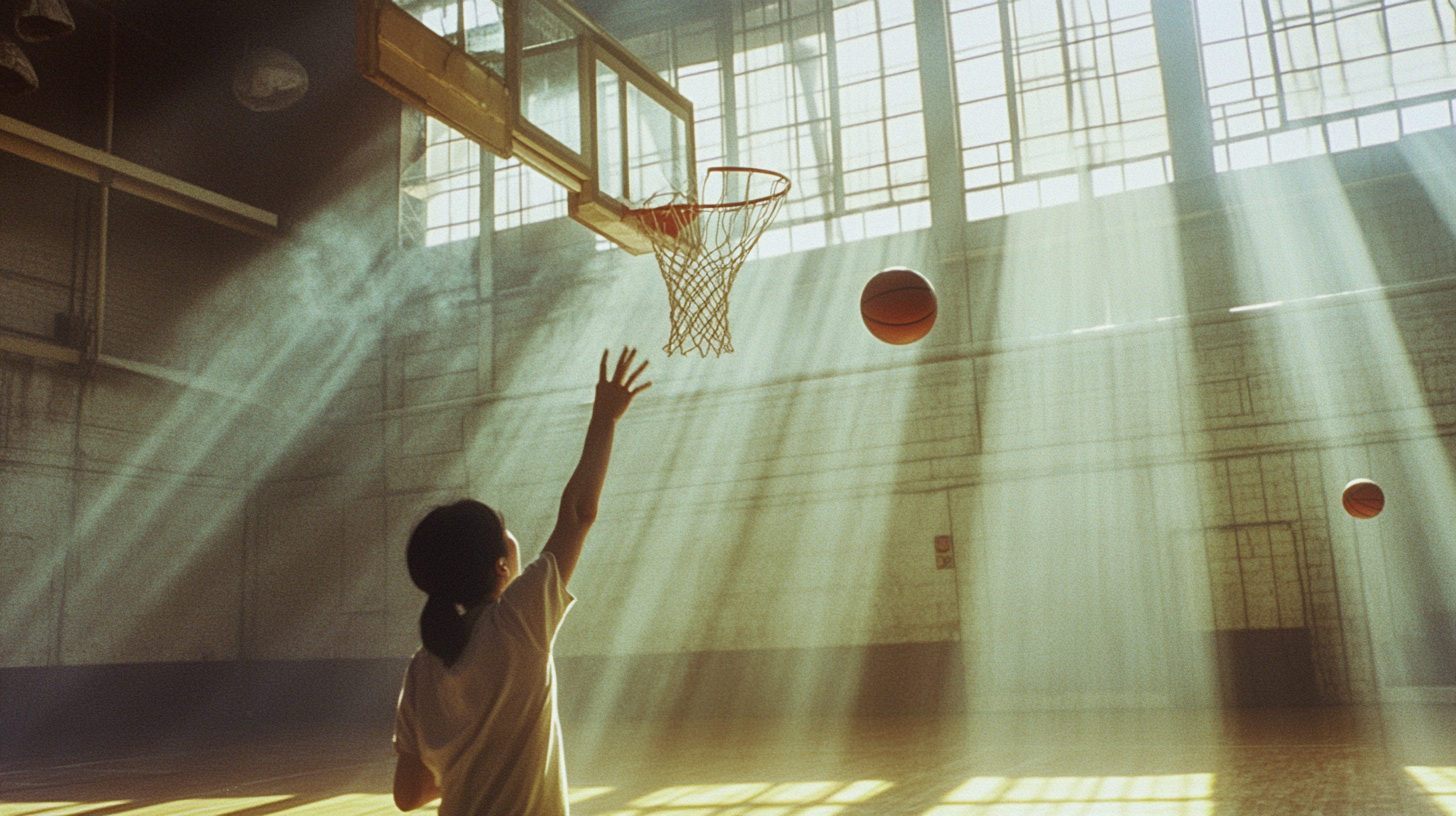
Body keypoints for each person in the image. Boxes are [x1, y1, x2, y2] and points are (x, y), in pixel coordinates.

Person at [392, 347, 651, 815]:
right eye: (507, 534)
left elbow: (408, 796)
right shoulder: (518, 624)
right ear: (500, 567)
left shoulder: (422, 668)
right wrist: (605, 418)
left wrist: (467, 770)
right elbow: (578, 514)